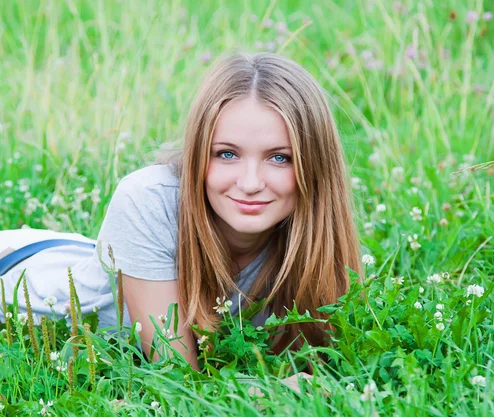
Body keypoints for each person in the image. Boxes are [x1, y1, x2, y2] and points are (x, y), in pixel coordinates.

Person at [0, 52, 363, 372]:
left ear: (315, 165)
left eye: (279, 157)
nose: (251, 183)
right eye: (227, 154)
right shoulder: (148, 198)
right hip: (17, 274)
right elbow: (178, 378)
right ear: (197, 153)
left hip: (82, 254)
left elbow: (323, 362)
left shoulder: (311, 236)